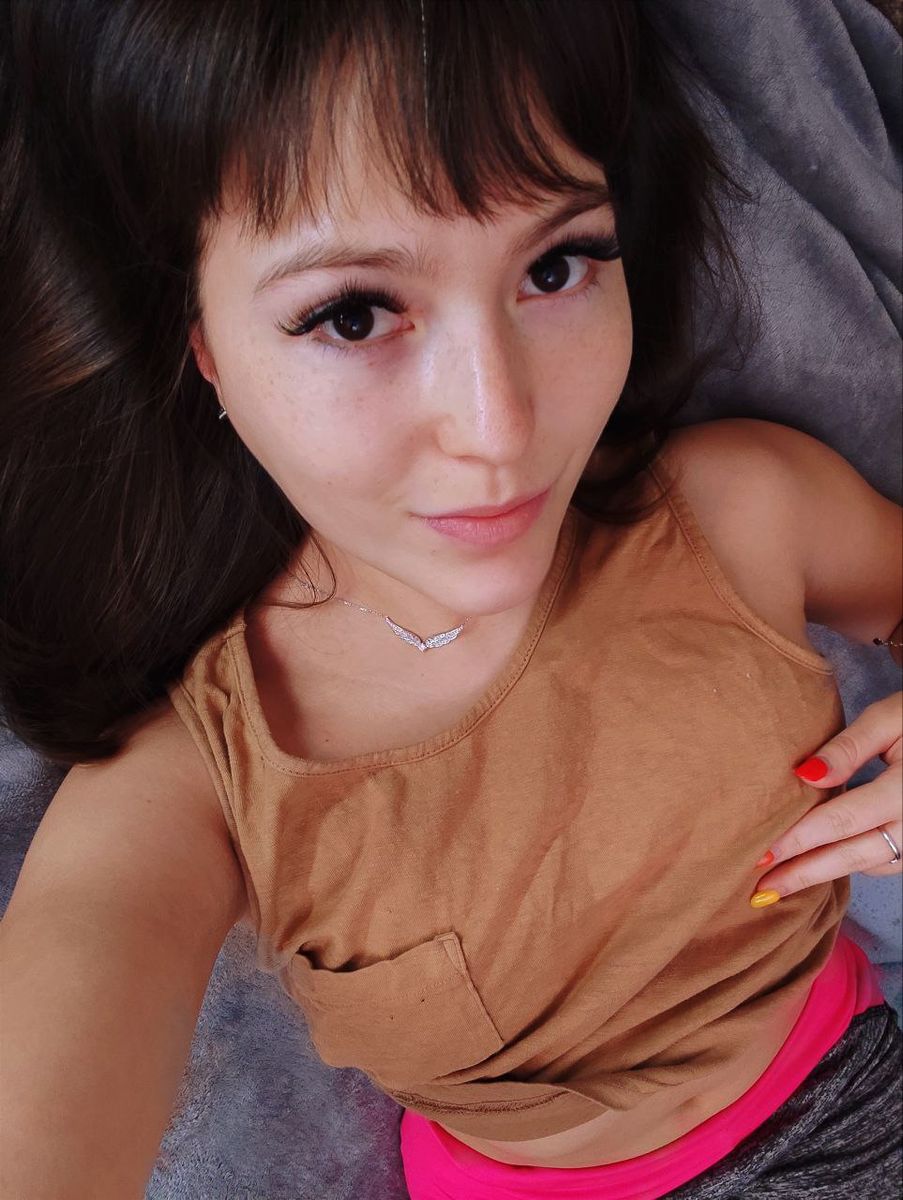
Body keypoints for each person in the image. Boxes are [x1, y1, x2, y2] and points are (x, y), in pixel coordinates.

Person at [0, 1, 900, 1197]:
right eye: (354, 313)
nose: (500, 426)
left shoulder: (741, 511)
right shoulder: (202, 779)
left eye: (555, 266)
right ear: (200, 340)